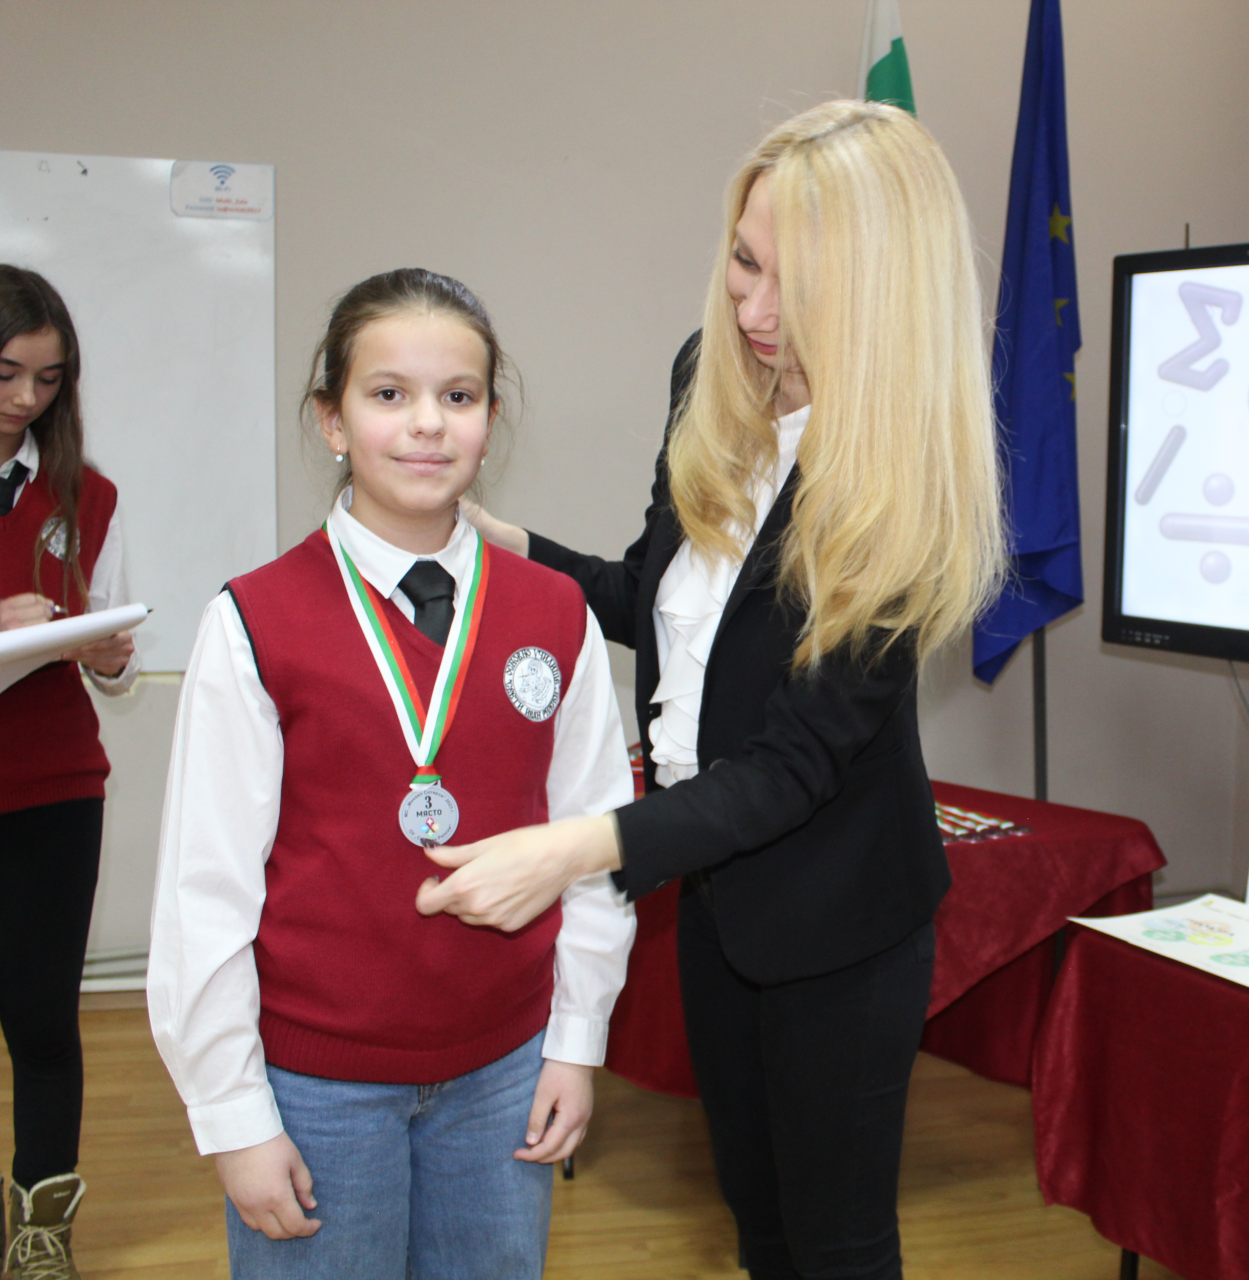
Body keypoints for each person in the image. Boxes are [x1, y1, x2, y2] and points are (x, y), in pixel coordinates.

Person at [430, 101, 1005, 1280]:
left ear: (880, 298)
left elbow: (795, 764)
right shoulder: (710, 373)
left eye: (798, 287)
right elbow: (653, 601)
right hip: (721, 894)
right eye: (744, 261)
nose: (752, 310)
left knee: (836, 1246)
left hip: (842, 918)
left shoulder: (904, 472)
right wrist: (505, 546)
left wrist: (577, 847)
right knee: (758, 1219)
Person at [145, 268, 634, 1279]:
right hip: (315, 1085)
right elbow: (205, 890)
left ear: (490, 420)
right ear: (331, 418)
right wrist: (234, 1113)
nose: (427, 423)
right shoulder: (254, 620)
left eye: (458, 395)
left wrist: (575, 1039)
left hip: (505, 1069)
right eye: (387, 393)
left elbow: (596, 838)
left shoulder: (556, 612)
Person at [0, 265, 138, 1280]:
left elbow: (116, 652)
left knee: (44, 1014)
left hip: (56, 783)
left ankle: (45, 1225)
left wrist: (106, 652)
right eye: (5, 373)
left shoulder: (88, 493)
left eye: (48, 380)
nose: (24, 398)